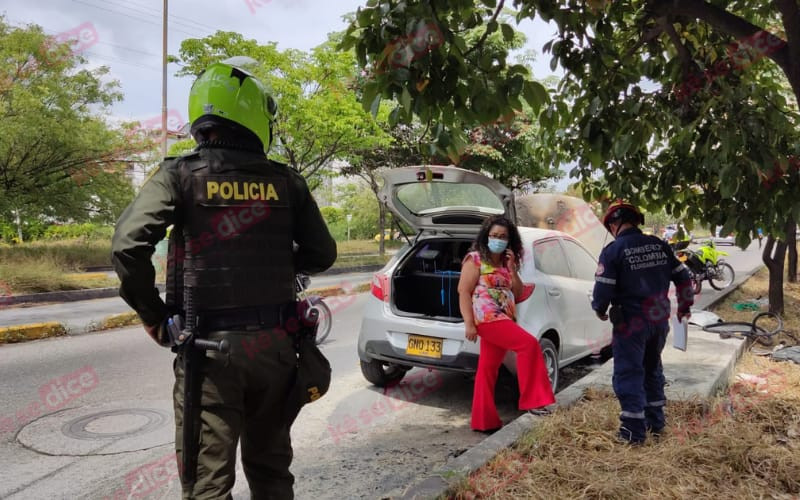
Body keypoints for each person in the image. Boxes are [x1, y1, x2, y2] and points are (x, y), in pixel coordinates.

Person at [111, 57, 336, 499]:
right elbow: (322, 254)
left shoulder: (178, 174)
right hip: (275, 347)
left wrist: (155, 317)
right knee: (272, 472)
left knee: (208, 485)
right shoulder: (287, 182)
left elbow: (128, 247)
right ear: (254, 113)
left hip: (209, 353)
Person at [591, 201, 694, 444]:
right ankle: (656, 423)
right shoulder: (660, 245)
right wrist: (684, 308)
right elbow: (684, 278)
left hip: (631, 324)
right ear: (636, 221)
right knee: (652, 369)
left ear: (614, 224)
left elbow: (602, 290)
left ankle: (633, 431)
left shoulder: (613, 251)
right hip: (659, 320)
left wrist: (599, 309)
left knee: (629, 372)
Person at [457, 216, 556, 433]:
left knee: (487, 369)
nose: (498, 240)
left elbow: (518, 293)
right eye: (494, 235)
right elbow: (463, 291)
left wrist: (512, 269)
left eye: (502, 236)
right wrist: (469, 324)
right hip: (488, 318)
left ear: (509, 240)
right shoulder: (474, 260)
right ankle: (534, 401)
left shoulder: (506, 263)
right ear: (486, 236)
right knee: (529, 344)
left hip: (506, 317)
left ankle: (484, 421)